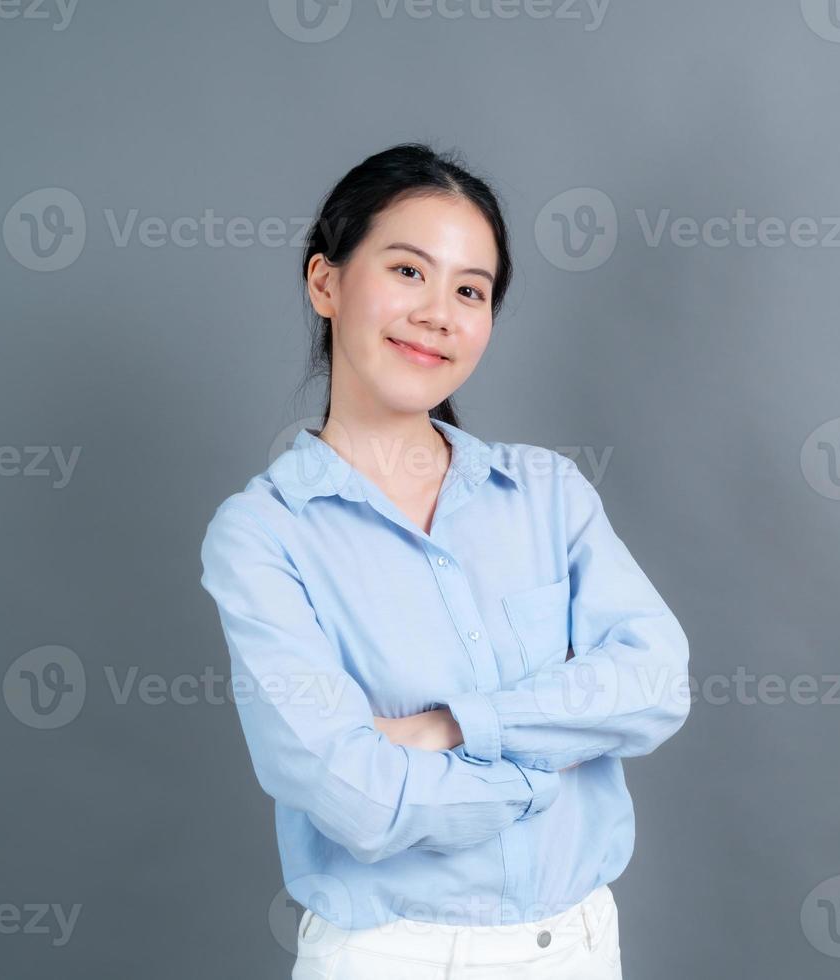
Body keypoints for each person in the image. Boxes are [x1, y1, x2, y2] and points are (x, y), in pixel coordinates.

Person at [198, 143, 691, 979]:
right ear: (326, 283)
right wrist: (544, 778)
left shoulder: (548, 493)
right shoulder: (263, 535)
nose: (439, 312)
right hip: (394, 958)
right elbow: (352, 791)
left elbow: (656, 681)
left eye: (470, 290)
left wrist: (453, 726)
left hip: (576, 947)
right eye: (407, 271)